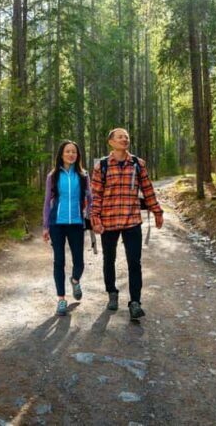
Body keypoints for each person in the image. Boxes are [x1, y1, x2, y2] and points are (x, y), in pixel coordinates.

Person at [90, 128, 163, 321]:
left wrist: (157, 211)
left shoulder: (137, 164)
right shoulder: (102, 166)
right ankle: (112, 293)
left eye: (127, 137)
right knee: (109, 259)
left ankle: (135, 302)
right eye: (120, 137)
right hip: (109, 220)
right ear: (111, 142)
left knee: (134, 262)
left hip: (132, 221)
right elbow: (95, 195)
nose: (125, 139)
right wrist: (95, 219)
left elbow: (148, 190)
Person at [42, 140, 92, 316]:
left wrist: (90, 215)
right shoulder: (53, 176)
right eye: (67, 151)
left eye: (74, 152)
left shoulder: (83, 175)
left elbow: (90, 198)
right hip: (57, 224)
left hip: (77, 223)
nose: (71, 154)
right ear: (61, 154)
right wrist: (46, 226)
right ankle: (61, 299)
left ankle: (75, 279)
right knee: (59, 261)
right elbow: (48, 202)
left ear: (77, 155)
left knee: (79, 262)